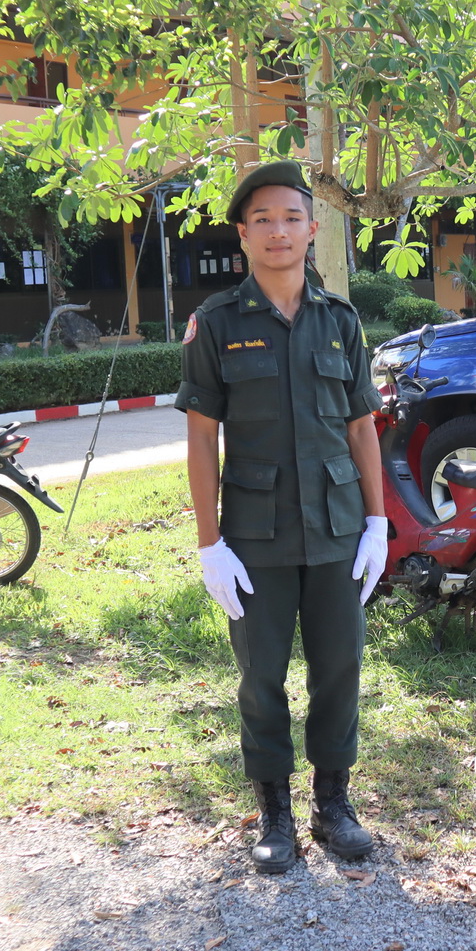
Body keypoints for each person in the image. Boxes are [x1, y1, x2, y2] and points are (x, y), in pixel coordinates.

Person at [176, 161, 388, 874]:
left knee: (340, 668)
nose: (278, 231)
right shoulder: (215, 324)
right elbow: (201, 439)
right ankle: (275, 812)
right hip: (255, 535)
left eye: (291, 217)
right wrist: (209, 543)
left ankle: (334, 805)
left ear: (312, 227)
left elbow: (361, 427)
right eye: (262, 219)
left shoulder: (340, 321)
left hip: (336, 529)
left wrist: (378, 524)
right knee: (261, 676)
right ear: (242, 234)